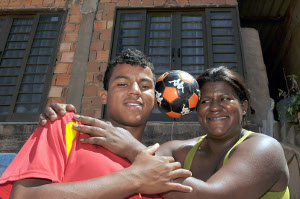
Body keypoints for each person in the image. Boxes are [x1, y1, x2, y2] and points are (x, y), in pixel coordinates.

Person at [41, 66, 290, 199]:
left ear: (243, 107)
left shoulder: (265, 148)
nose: (215, 107)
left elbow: (213, 197)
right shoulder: (178, 150)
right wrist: (62, 118)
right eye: (205, 101)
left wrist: (132, 147)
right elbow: (123, 162)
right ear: (194, 108)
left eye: (225, 99)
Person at [0, 49, 193, 199]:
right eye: (122, 84)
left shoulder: (162, 166)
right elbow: (24, 196)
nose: (135, 91)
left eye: (145, 86)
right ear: (104, 96)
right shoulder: (67, 126)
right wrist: (134, 178)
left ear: (155, 101)